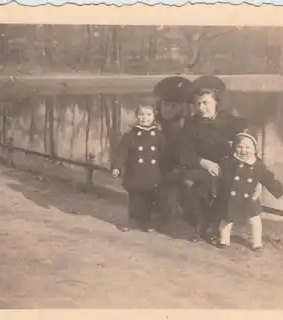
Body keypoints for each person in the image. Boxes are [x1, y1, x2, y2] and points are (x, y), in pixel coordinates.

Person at [178, 75, 261, 243]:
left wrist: (256, 176)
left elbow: (249, 146)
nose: (201, 108)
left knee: (225, 184)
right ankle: (201, 224)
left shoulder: (232, 122)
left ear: (216, 102)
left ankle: (216, 225)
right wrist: (203, 162)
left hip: (227, 166)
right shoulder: (190, 124)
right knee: (192, 183)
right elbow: (183, 152)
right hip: (201, 166)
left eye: (206, 103)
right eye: (198, 104)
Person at [213, 130, 283, 251]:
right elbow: (220, 176)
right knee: (226, 218)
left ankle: (257, 242)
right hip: (231, 197)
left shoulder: (258, 166)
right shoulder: (229, 162)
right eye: (240, 147)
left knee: (255, 220)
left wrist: (280, 192)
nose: (243, 151)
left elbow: (269, 179)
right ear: (235, 147)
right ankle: (224, 240)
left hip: (249, 198)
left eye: (248, 147)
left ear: (254, 149)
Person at [111, 100, 167, 233]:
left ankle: (146, 221)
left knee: (148, 198)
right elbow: (121, 153)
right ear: (136, 117)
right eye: (141, 114)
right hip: (135, 173)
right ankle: (132, 220)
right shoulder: (130, 135)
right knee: (135, 197)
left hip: (152, 173)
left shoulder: (158, 136)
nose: (145, 117)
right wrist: (117, 167)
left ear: (154, 116)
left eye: (148, 114)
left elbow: (165, 154)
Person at [152, 76, 193, 224]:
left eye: (174, 106)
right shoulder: (155, 122)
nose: (169, 109)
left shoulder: (185, 124)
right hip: (159, 163)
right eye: (166, 105)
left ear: (181, 107)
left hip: (178, 164)